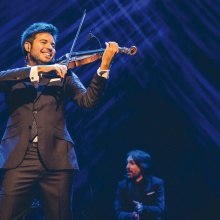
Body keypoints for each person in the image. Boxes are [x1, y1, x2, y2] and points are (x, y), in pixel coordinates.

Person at [0, 22, 119, 219]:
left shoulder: (65, 74)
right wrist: (38, 71)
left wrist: (104, 66)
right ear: (28, 47)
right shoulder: (15, 77)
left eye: (53, 44)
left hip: (57, 159)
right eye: (44, 42)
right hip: (18, 159)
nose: (50, 47)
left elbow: (88, 101)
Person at [114, 150, 165, 220]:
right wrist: (132, 216)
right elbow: (118, 211)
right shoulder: (122, 185)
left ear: (142, 166)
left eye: (132, 163)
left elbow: (160, 208)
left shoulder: (156, 183)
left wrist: (143, 208)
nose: (127, 166)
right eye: (127, 163)